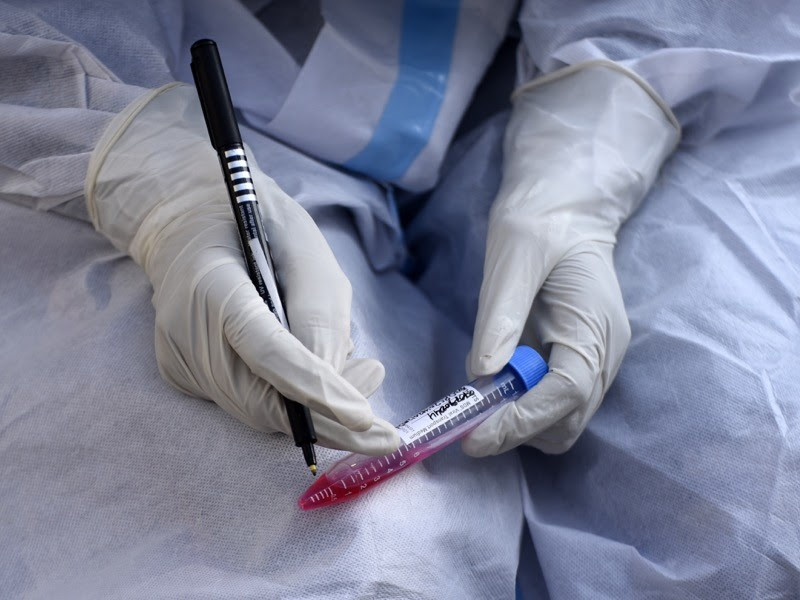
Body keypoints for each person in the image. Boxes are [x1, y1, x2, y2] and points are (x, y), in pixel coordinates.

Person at [2, 1, 799, 598]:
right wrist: (158, 179)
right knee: (333, 559)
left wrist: (590, 153)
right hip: (154, 99)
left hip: (551, 66)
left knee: (751, 484)